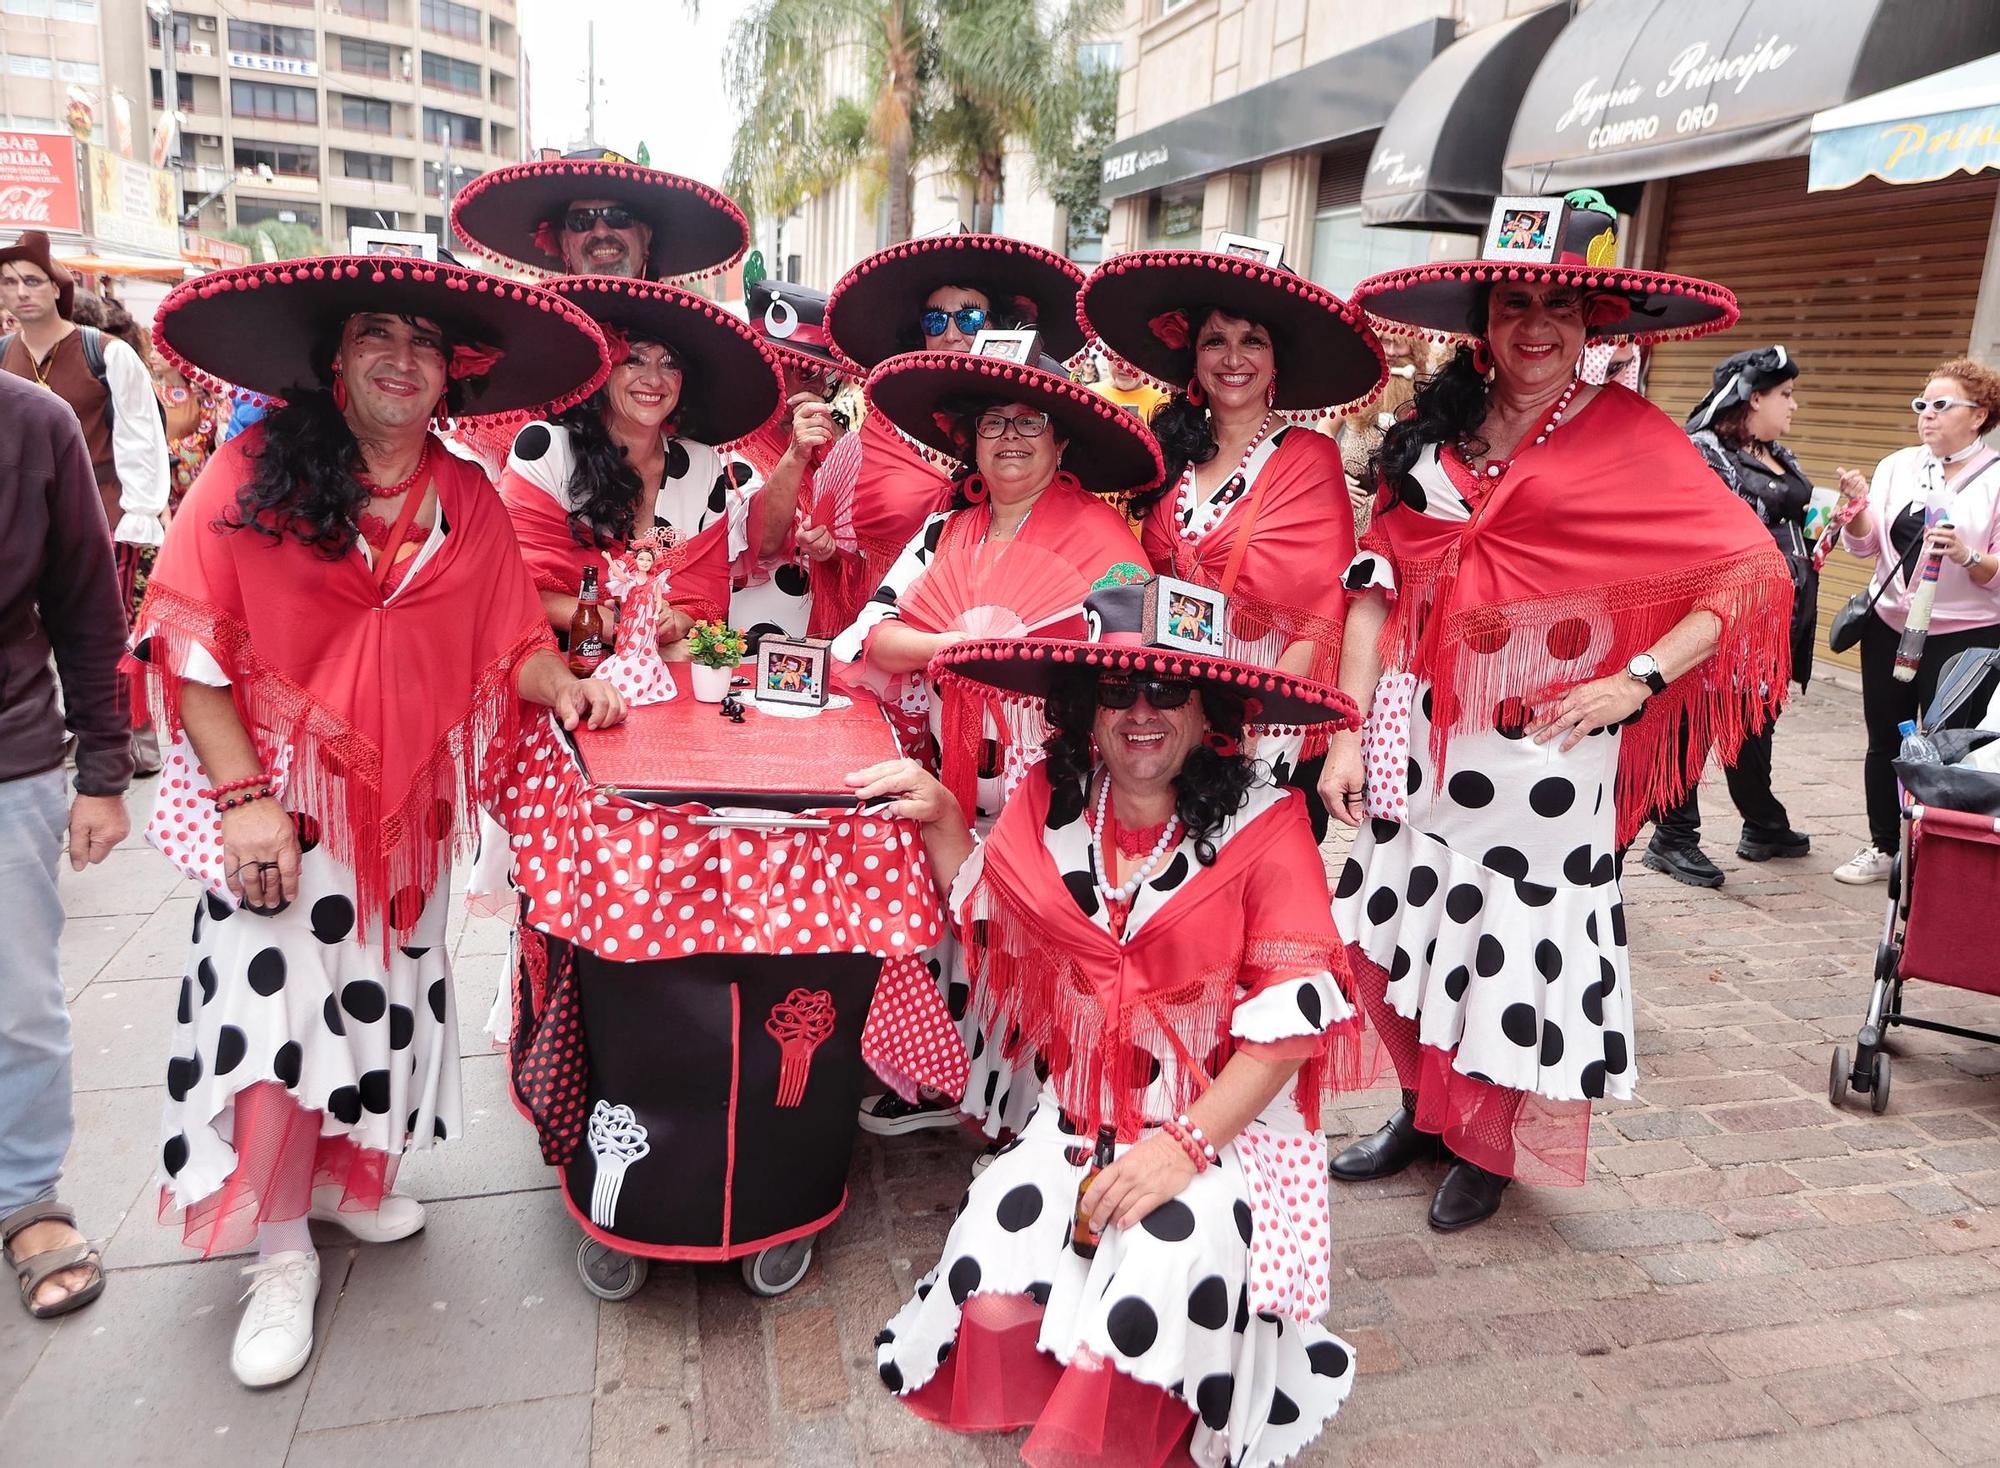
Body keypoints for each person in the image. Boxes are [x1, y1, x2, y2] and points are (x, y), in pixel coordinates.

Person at [136, 253, 622, 1387]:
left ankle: (346, 1182)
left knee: (381, 1001)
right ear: (336, 359)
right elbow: (194, 640)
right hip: (285, 810)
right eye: (376, 336)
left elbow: (515, 643)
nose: (402, 359)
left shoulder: (463, 490)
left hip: (405, 814)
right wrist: (244, 799)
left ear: (448, 376)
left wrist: (572, 688)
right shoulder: (253, 469)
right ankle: (277, 1246)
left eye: (423, 343)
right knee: (273, 1018)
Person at [1323, 190, 1790, 1229]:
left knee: (1506, 953)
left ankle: (1483, 1147)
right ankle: (1418, 1113)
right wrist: (1347, 727)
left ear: (1592, 328)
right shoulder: (1427, 429)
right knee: (1395, 935)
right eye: (1515, 301)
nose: (1535, 325)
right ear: (1482, 318)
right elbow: (1375, 583)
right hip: (1418, 733)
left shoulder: (1626, 433)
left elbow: (1748, 577)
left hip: (1541, 751)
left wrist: (1637, 680)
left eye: (1560, 308)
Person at [850, 577, 1364, 1468]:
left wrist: (1184, 1150)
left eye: (1169, 691)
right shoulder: (1052, 798)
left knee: (1161, 1281)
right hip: (1078, 1121)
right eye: (1118, 691)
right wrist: (940, 810)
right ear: (1086, 713)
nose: (1141, 712)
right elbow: (995, 918)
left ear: (1210, 717)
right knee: (990, 1289)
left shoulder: (1269, 822)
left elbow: (1289, 1026)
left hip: (1217, 1130)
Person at [832, 344, 1160, 1141]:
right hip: (956, 761)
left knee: (1040, 929)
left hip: (1055, 775)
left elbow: (1135, 660)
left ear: (1061, 443)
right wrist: (958, 644)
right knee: (966, 922)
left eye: (1030, 423)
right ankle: (963, 1085)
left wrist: (1020, 663)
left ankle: (1047, 1118)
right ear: (970, 443)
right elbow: (871, 634)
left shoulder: (1101, 533)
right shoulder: (950, 530)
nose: (1010, 438)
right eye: (992, 425)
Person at [1077, 240, 1387, 839]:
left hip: (1265, 726)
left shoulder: (1309, 458)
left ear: (1277, 362)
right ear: (1192, 357)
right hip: (1163, 712)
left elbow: (1323, 612)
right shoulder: (1164, 454)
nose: (1232, 358)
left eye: (1253, 341)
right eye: (1215, 340)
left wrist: (1251, 718)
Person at [0, 369, 131, 1320]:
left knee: (17, 1003)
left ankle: (25, 1197)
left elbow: (87, 606)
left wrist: (103, 771)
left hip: (10, 757)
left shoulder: (34, 423)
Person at [807, 230, 1090, 640]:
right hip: (892, 631)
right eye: (936, 319)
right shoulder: (881, 428)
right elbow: (848, 553)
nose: (952, 333)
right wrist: (830, 551)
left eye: (971, 317)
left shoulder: (1037, 429)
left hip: (1006, 627)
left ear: (1002, 329)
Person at [499, 277, 795, 649]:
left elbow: (707, 594)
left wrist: (675, 622)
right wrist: (611, 623)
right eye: (634, 359)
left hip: (661, 674)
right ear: (605, 370)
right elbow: (512, 583)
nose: (653, 379)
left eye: (669, 364)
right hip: (557, 666)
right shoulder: (546, 449)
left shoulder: (702, 463)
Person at [1641, 346, 1817, 885]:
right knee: (1692, 726)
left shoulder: (1777, 452)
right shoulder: (1703, 451)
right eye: (1784, 395)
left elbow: (1797, 519)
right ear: (1753, 396)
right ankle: (1672, 838)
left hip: (1778, 615)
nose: (1793, 406)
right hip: (1723, 611)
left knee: (1754, 722)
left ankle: (1763, 823)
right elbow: (1698, 535)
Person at [1, 231, 171, 772]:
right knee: (28, 634)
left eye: (32, 281)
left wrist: (140, 516)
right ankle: (57, 731)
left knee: (106, 631)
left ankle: (128, 739)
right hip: (22, 521)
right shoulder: (3, 356)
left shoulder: (106, 353)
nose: (20, 292)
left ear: (57, 290)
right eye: (8, 282)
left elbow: (142, 437)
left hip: (104, 514)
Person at [1831, 357, 2000, 884]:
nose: (1927, 415)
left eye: (1941, 405)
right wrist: (1856, 510)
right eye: (1921, 404)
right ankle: (1884, 845)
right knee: (1886, 738)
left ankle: (1938, 857)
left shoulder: (1996, 478)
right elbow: (1864, 548)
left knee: (1950, 746)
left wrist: (1968, 555)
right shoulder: (1898, 466)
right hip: (1890, 625)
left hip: (1965, 635)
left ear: (1979, 415)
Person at [732, 277, 849, 642]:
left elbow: (861, 544)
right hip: (747, 647)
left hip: (823, 642)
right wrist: (797, 453)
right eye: (792, 367)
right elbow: (762, 542)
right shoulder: (726, 441)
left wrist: (832, 551)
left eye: (817, 372)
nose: (809, 385)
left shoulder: (832, 446)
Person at [450, 145, 749, 283]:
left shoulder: (687, 337)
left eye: (619, 217)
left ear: (647, 237)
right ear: (564, 242)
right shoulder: (537, 332)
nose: (601, 230)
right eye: (581, 221)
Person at [1090, 351, 1168, 423]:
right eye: (1118, 359)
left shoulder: (1163, 399)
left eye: (1133, 361)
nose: (1126, 368)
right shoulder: (1091, 393)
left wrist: (1144, 432)